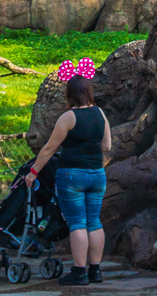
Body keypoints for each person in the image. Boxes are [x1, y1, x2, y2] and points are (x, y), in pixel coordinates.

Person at [25, 74, 110, 284]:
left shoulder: (68, 117)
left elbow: (50, 148)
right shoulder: (100, 113)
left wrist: (33, 171)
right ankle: (95, 271)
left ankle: (79, 272)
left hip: (72, 175)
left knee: (77, 223)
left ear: (69, 95)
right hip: (97, 174)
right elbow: (107, 146)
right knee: (94, 221)